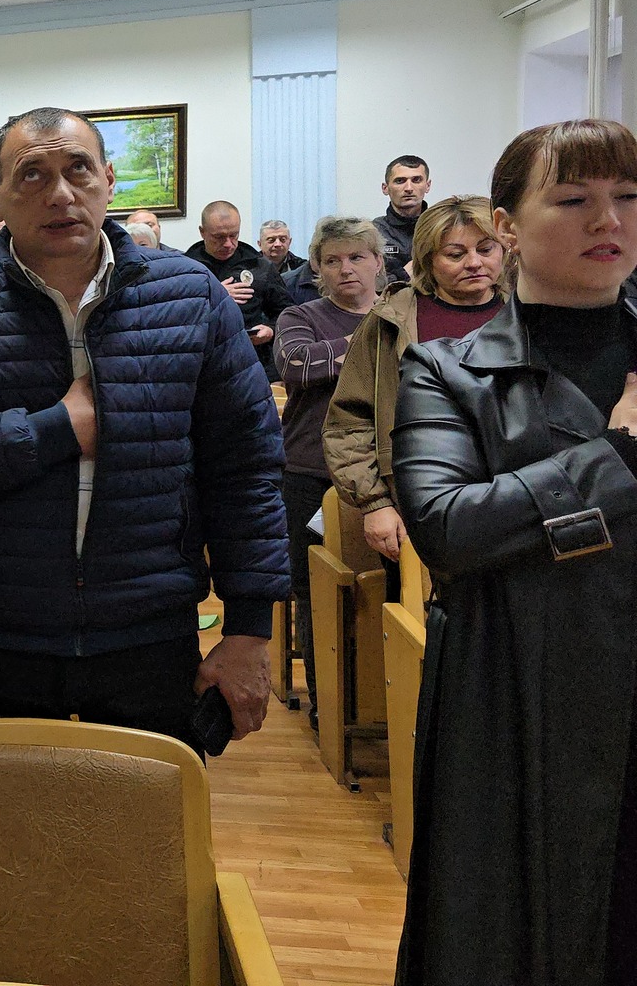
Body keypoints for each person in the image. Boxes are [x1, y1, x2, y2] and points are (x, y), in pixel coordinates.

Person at [0, 107, 290, 750]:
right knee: (1, 813)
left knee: (147, 814)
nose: (60, 193)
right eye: (32, 174)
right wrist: (54, 429)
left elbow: (245, 470)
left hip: (149, 631)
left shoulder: (189, 295)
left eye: (78, 170)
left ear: (110, 181)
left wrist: (248, 629)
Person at [390, 119, 637, 985]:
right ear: (506, 226)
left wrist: (542, 519)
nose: (608, 219)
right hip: (519, 687)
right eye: (572, 199)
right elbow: (447, 527)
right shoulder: (447, 369)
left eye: (627, 196)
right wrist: (616, 459)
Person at [324, 195, 506, 563]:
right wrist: (375, 502)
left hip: (513, 496)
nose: (474, 263)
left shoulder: (527, 310)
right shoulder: (390, 320)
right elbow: (348, 422)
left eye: (486, 249)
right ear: (427, 259)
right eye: (455, 254)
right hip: (419, 505)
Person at [270, 218, 387, 710]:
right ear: (317, 267)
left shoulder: (402, 309)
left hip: (390, 471)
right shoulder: (301, 314)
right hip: (309, 471)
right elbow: (297, 365)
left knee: (389, 590)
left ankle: (383, 699)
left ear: (378, 261)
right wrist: (376, 338)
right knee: (314, 590)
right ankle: (329, 704)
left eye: (357, 257)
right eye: (333, 260)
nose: (346, 269)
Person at [185, 200, 293, 370]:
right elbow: (176, 319)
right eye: (219, 237)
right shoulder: (186, 269)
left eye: (234, 235)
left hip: (251, 360)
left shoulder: (259, 266)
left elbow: (287, 312)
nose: (228, 244)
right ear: (202, 232)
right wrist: (217, 296)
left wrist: (271, 329)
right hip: (201, 363)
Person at [378, 154, 433, 283]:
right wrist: (403, 275)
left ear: (428, 185)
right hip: (389, 296)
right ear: (385, 188)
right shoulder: (373, 233)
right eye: (400, 181)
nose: (409, 188)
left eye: (416, 180)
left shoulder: (443, 228)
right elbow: (367, 282)